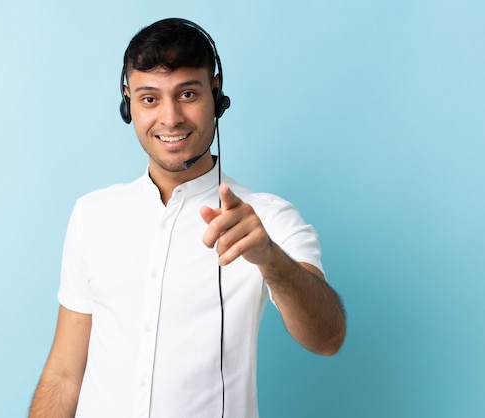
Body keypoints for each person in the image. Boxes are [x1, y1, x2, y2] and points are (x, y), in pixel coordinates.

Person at [29, 18, 346, 418]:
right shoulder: (93, 214)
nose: (170, 117)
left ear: (217, 96)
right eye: (149, 99)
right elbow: (63, 374)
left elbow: (328, 337)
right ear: (128, 103)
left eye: (188, 94)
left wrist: (271, 259)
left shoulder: (267, 218)